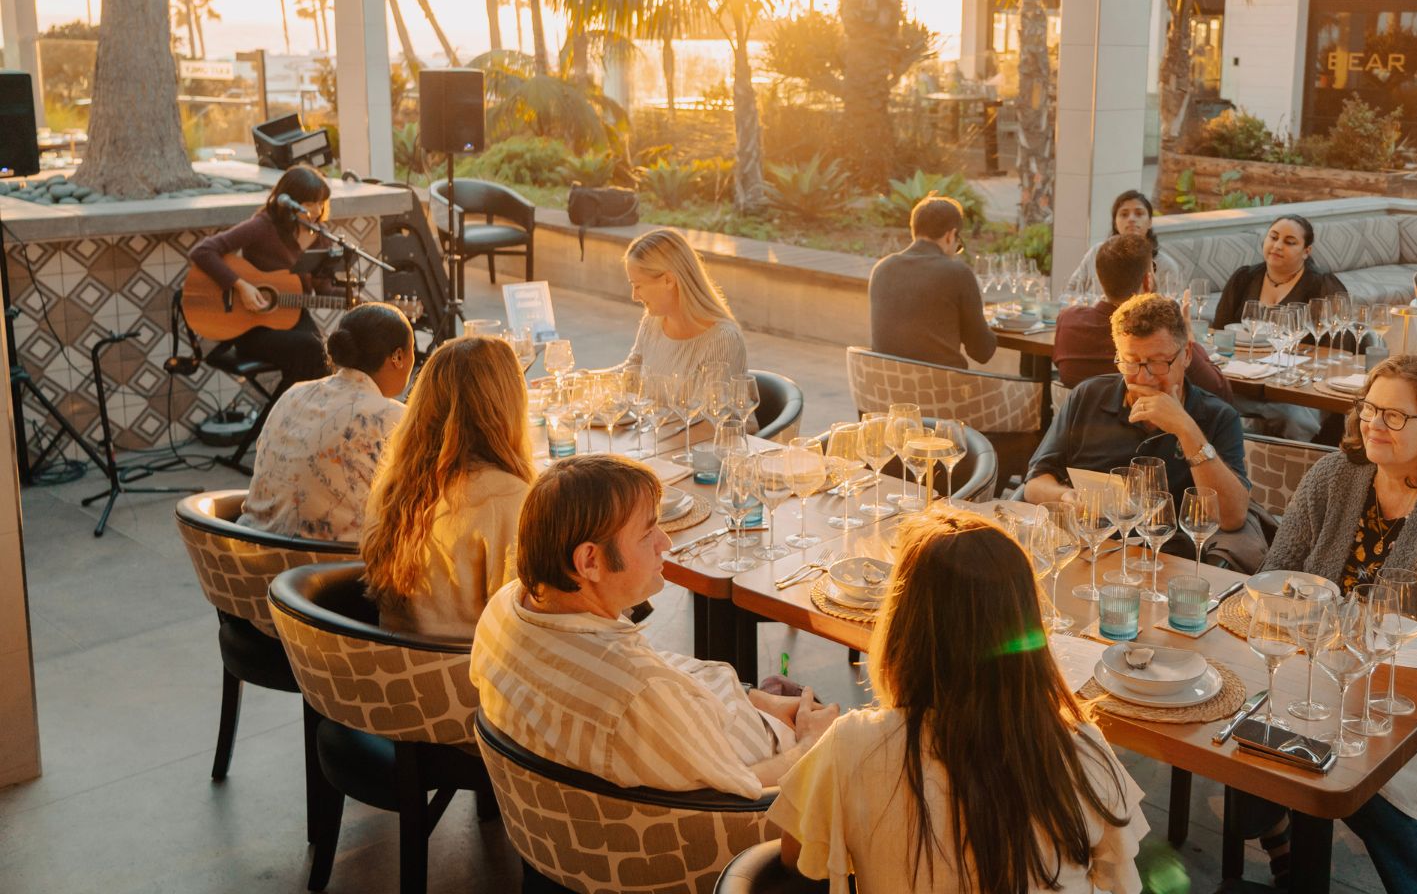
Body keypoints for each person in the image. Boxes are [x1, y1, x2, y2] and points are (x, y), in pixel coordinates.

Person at [770, 508, 1148, 893]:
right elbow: (1122, 883)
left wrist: (809, 750)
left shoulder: (853, 747)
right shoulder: (1080, 753)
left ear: (904, 625)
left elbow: (796, 857)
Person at [1246, 353, 1417, 894]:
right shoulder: (1336, 474)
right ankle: (1283, 840)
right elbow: (1279, 573)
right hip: (1323, 661)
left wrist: (1339, 644)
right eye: (1369, 408)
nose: (1372, 423)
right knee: (1241, 721)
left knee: (1355, 772)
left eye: (1394, 416)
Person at [473, 454, 839, 798]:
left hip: (734, 721)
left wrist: (754, 698)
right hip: (772, 793)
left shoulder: (506, 609)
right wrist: (812, 743)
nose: (665, 543)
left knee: (787, 692)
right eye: (648, 533)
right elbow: (744, 791)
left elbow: (657, 682)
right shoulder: (636, 695)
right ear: (589, 561)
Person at [1024, 293, 1268, 572]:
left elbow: (1231, 517)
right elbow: (1033, 484)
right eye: (1131, 362)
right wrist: (1065, 497)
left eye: (1158, 362)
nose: (1144, 377)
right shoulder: (1088, 396)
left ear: (1186, 355)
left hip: (1169, 566)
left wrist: (1186, 429)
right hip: (1087, 556)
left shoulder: (1217, 417)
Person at [361, 335, 534, 638]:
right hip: (466, 676)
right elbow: (525, 626)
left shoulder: (394, 485)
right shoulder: (508, 498)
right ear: (509, 404)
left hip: (397, 670)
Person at [238, 302, 414, 540]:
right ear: (398, 357)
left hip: (247, 553)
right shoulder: (391, 417)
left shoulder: (292, 393)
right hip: (324, 569)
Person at [187, 165, 335, 392]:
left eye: (321, 203)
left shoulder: (322, 237)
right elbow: (202, 251)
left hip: (294, 316)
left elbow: (323, 288)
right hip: (251, 326)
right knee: (311, 352)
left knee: (322, 360)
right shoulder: (264, 227)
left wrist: (356, 300)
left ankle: (276, 425)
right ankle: (276, 424)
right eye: (309, 204)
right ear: (289, 202)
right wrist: (241, 286)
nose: (316, 210)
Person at [1210, 215, 1348, 442]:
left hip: (1298, 390)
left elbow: (1336, 344)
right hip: (1245, 380)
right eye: (1273, 237)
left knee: (1292, 416)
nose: (1277, 246)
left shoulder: (1323, 285)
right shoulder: (1244, 278)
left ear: (1306, 251)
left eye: (1289, 241)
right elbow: (1219, 333)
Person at [1054, 233, 1230, 402]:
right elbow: (1221, 394)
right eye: (1152, 269)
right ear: (1147, 281)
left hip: (1082, 427)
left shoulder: (1067, 320)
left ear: (1101, 280)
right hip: (1150, 428)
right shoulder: (1160, 340)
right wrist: (1187, 332)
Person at [867, 194, 996, 369]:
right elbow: (982, 352)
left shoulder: (881, 268)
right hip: (942, 392)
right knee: (1031, 389)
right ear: (950, 235)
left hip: (888, 390)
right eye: (958, 243)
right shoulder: (956, 273)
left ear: (915, 231)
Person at [622, 228, 750, 380]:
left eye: (638, 286)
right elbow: (629, 373)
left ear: (668, 280)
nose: (634, 296)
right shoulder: (652, 322)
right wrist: (590, 378)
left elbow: (712, 403)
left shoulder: (722, 340)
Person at [1070, 189, 1186, 298]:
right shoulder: (1096, 253)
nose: (1131, 219)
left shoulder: (1165, 266)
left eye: (1139, 213)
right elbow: (1070, 291)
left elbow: (1172, 308)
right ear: (1115, 223)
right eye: (1124, 214)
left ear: (1150, 222)